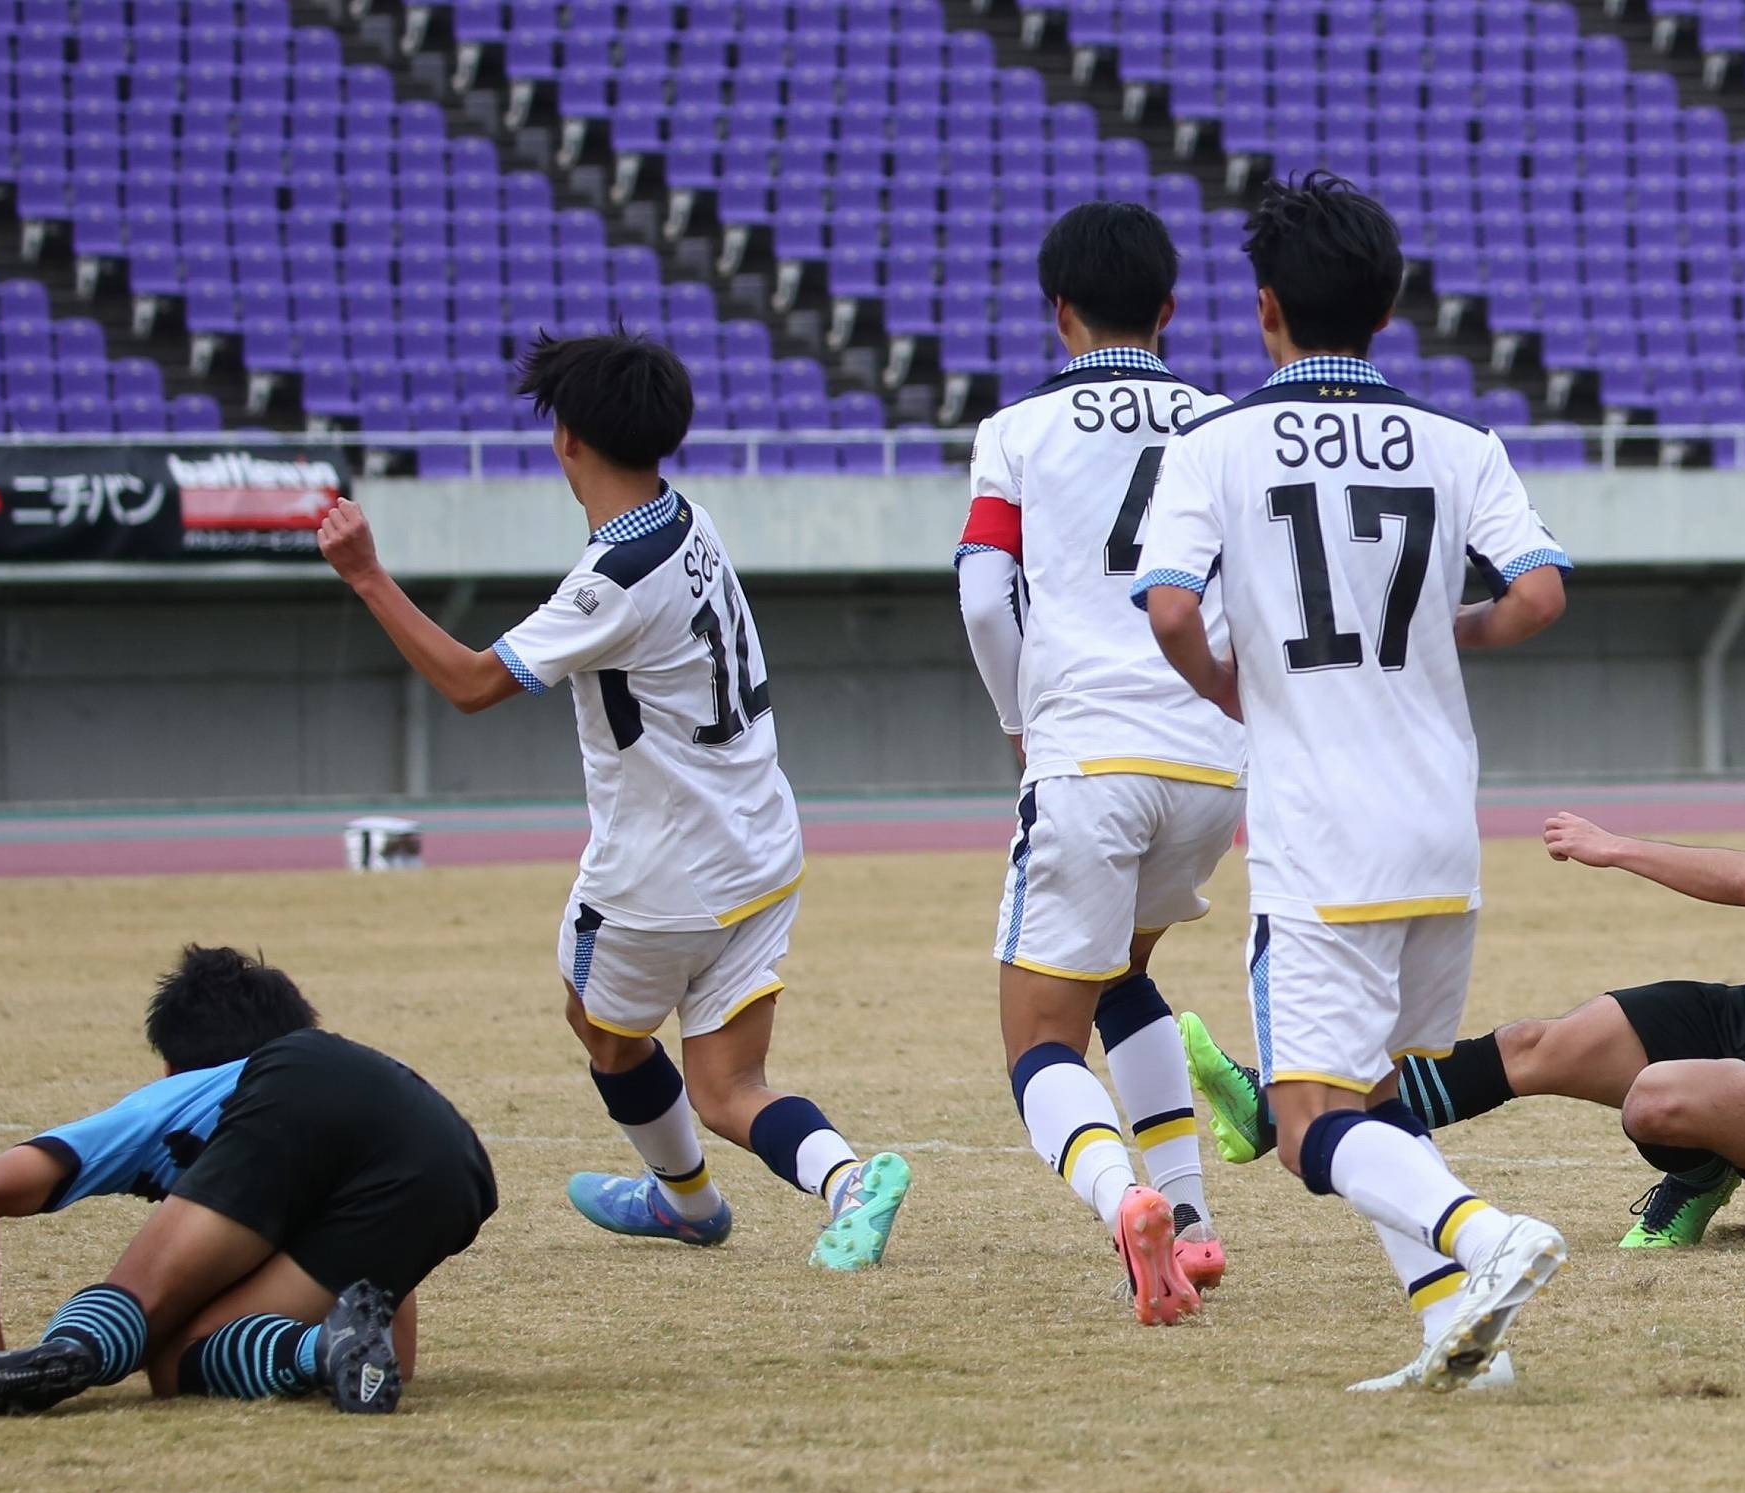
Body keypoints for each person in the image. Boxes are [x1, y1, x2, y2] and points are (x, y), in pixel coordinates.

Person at [313, 329, 911, 1270]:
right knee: (728, 1083)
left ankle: (686, 1204)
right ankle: (847, 1178)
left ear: (568, 442)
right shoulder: (692, 521)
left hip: (661, 872)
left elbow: (472, 684)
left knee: (598, 1026)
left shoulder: (609, 584)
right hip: (760, 844)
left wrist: (365, 574)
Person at [1131, 172, 1574, 1394]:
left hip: (1321, 837)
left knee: (1305, 1125)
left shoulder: (1212, 445)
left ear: (1264, 308)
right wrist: (1455, 635)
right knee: (1379, 1097)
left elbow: (1169, 607)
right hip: (1438, 827)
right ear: (1385, 310)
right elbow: (1538, 593)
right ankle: (1460, 1338)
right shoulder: (1458, 443)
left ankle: (1488, 1236)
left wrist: (1229, 686)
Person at [1183, 635, 1745, 1248]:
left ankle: (1698, 1173)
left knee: (1655, 1100)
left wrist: (1613, 846)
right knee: (1537, 1044)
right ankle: (1279, 1108)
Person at [953, 202, 1243, 1328]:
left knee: (1039, 1042)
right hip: (1213, 767)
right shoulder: (1223, 424)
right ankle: (1194, 1220)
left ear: (1057, 311)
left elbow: (986, 592)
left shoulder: (1018, 429)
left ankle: (1126, 1202)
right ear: (1169, 310)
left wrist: (1020, 715)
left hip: (1088, 758)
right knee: (1123, 974)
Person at [0, 945, 498, 1418]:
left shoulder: (191, 1093)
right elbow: (397, 1349)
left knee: (147, 1324)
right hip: (455, 1163)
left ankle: (65, 1353)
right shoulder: (357, 1086)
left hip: (334, 1110)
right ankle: (319, 1352)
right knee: (183, 1361)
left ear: (170, 1068)